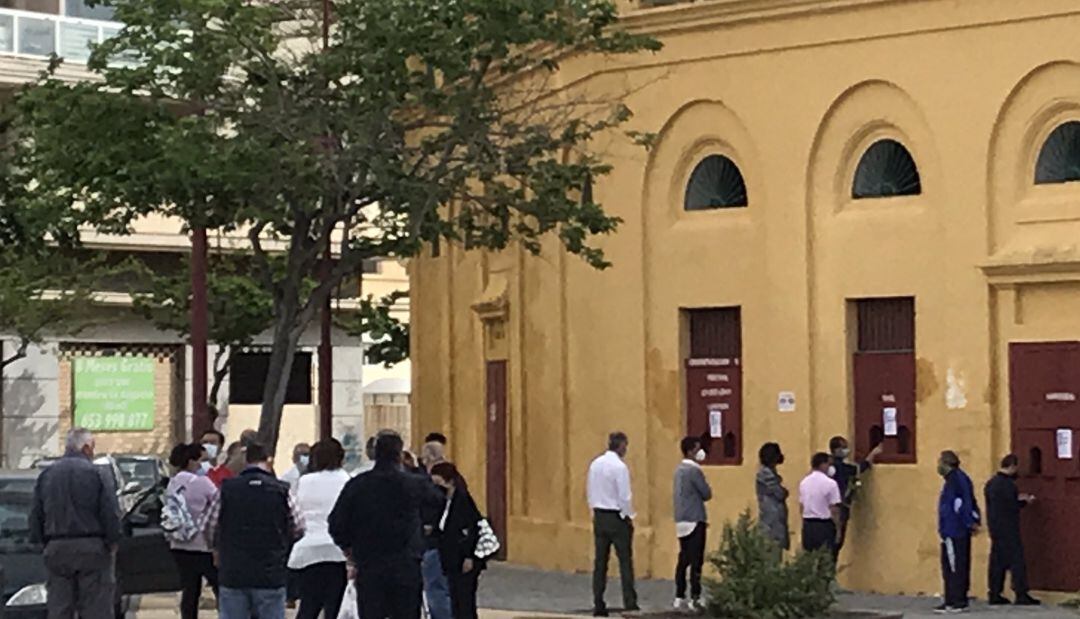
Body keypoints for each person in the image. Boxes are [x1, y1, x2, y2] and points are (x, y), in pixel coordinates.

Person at [329, 430, 430, 619]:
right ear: (400, 455)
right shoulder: (414, 484)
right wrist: (417, 469)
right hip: (406, 563)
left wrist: (348, 549)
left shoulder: (358, 485)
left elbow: (336, 523)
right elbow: (438, 503)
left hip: (370, 563)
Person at [204, 442, 305, 619]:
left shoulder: (227, 489)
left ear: (246, 460)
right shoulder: (282, 490)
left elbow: (209, 526)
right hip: (270, 570)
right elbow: (299, 526)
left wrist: (215, 549)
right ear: (268, 460)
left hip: (234, 570)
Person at [28, 428, 122, 619]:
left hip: (56, 547)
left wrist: (41, 542)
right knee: (96, 607)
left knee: (59, 607)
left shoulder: (47, 475)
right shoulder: (96, 474)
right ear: (86, 448)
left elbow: (36, 514)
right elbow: (109, 512)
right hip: (92, 547)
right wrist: (113, 540)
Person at [288, 439, 351, 619]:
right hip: (338, 550)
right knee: (335, 606)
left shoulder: (304, 481)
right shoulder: (346, 480)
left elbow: (296, 512)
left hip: (308, 549)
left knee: (309, 603)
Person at [166, 442, 221, 619]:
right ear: (191, 461)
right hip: (203, 545)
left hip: (179, 544)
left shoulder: (173, 483)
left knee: (190, 590)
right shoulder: (203, 483)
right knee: (220, 588)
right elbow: (219, 505)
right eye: (201, 460)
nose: (203, 465)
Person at [586, 431, 638, 617]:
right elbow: (624, 496)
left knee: (600, 562)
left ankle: (598, 600)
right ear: (621, 445)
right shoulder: (619, 467)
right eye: (626, 445)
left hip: (600, 515)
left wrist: (594, 509)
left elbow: (590, 491)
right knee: (625, 560)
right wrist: (628, 515)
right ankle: (630, 601)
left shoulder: (595, 464)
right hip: (616, 516)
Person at [430, 462, 486, 619]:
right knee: (455, 601)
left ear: (449, 482)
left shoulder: (462, 501)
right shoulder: (445, 502)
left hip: (463, 559)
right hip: (451, 559)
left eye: (438, 484)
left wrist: (469, 556)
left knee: (465, 601)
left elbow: (471, 530)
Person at [985, 454, 1039, 606]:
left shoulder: (991, 483)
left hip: (995, 528)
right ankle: (1021, 593)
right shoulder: (1008, 485)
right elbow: (1012, 506)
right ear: (1012, 466)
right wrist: (1025, 501)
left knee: (997, 562)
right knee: (1016, 561)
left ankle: (994, 593)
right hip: (1009, 528)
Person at [936, 450, 980, 614]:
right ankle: (952, 599)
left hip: (954, 531)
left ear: (947, 463)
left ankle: (956, 601)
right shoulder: (957, 479)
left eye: (940, 462)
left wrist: (969, 522)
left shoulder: (955, 481)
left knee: (954, 566)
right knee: (954, 564)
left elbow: (962, 505)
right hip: (952, 530)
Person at [672, 436, 712, 611]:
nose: (701, 452)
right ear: (690, 451)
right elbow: (706, 493)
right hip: (695, 519)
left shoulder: (678, 471)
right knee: (696, 560)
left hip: (681, 520)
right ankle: (695, 596)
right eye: (698, 449)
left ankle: (679, 595)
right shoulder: (694, 471)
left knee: (683, 559)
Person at [828, 437, 882, 558]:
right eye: (843, 447)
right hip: (840, 508)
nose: (846, 450)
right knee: (836, 544)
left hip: (825, 510)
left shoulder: (828, 465)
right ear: (836, 450)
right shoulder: (841, 468)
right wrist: (873, 454)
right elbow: (861, 468)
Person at [419, 440, 453, 619]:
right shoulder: (453, 477)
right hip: (451, 544)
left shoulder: (432, 483)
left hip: (433, 543)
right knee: (446, 588)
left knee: (435, 590)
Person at [798, 452, 842, 556]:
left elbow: (802, 506)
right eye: (828, 464)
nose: (830, 468)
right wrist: (838, 529)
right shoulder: (830, 484)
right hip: (824, 526)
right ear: (822, 465)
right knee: (825, 559)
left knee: (809, 559)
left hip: (808, 525)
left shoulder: (804, 482)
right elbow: (834, 508)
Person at [756, 442, 790, 556]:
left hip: (775, 522)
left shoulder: (771, 473)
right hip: (771, 523)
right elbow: (779, 493)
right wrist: (784, 491)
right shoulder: (766, 474)